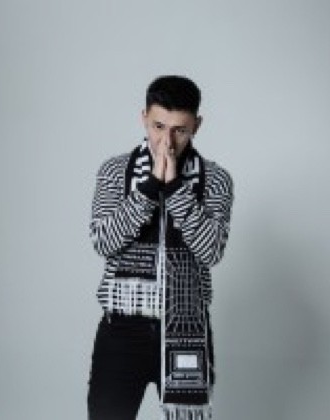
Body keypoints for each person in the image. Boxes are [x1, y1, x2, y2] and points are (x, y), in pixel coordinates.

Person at [87, 75, 234, 420]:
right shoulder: (115, 171)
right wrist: (151, 187)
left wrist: (176, 190)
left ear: (197, 125)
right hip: (122, 329)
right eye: (158, 126)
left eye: (179, 130)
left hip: (187, 328)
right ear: (144, 118)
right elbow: (104, 241)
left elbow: (211, 251)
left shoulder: (216, 179)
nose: (166, 141)